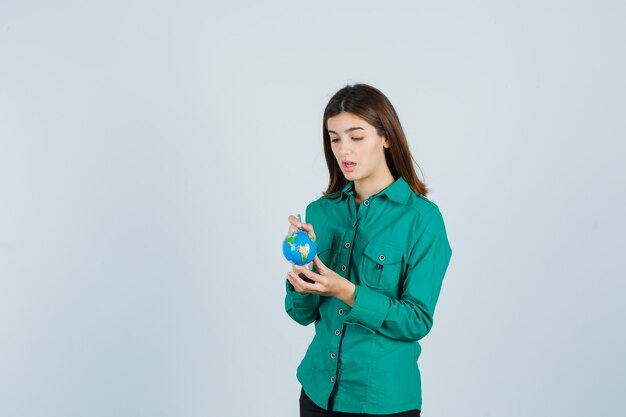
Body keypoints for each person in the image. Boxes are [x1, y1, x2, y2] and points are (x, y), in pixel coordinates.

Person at [284, 83, 452, 417]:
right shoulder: (320, 212)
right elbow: (300, 314)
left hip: (382, 402)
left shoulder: (422, 219)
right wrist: (300, 267)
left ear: (386, 137)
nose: (344, 150)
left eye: (356, 137)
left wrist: (347, 292)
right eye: (334, 138)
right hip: (318, 394)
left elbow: (417, 320)